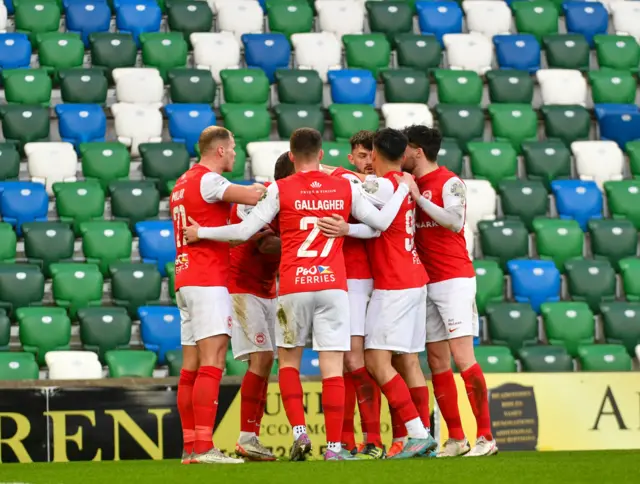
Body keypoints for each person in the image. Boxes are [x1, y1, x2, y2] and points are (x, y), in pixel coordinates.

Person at [183, 128, 414, 461]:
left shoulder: (280, 188)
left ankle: (300, 433)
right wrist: (401, 192)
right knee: (333, 367)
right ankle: (334, 448)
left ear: (291, 157)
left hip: (293, 286)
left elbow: (244, 232)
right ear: (322, 155)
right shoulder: (344, 185)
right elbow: (379, 224)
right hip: (334, 285)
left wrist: (201, 231)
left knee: (288, 361)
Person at [318, 128, 438, 459]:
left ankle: (417, 432)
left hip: (394, 282)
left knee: (375, 360)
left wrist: (318, 167)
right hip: (415, 277)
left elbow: (357, 188)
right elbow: (373, 225)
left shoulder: (385, 185)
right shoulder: (399, 183)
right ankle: (422, 436)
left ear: (373, 154)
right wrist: (349, 228)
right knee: (410, 362)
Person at [170, 126, 266, 465]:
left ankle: (191, 446)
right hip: (209, 279)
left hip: (185, 279)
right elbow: (255, 196)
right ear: (221, 150)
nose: (236, 154)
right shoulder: (209, 181)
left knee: (191, 366)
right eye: (234, 148)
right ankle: (205, 447)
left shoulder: (181, 183)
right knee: (213, 360)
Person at [402, 124, 498, 458]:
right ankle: (456, 438)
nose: (400, 155)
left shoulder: (449, 181)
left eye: (405, 149)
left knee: (461, 356)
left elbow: (455, 222)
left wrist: (417, 199)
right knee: (437, 359)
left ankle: (486, 436)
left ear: (417, 151)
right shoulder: (409, 182)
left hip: (454, 278)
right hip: (426, 281)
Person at [230, 152, 295, 461]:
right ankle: (245, 436)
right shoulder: (256, 198)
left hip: (269, 288)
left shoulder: (291, 203)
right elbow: (266, 244)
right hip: (241, 286)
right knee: (263, 357)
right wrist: (304, 238)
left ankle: (251, 436)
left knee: (266, 362)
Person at [323, 131, 383, 459]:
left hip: (373, 281)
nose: (368, 162)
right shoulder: (345, 182)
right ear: (352, 157)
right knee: (348, 362)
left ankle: (374, 439)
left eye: (372, 156)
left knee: (364, 362)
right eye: (362, 156)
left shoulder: (386, 184)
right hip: (350, 278)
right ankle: (349, 439)